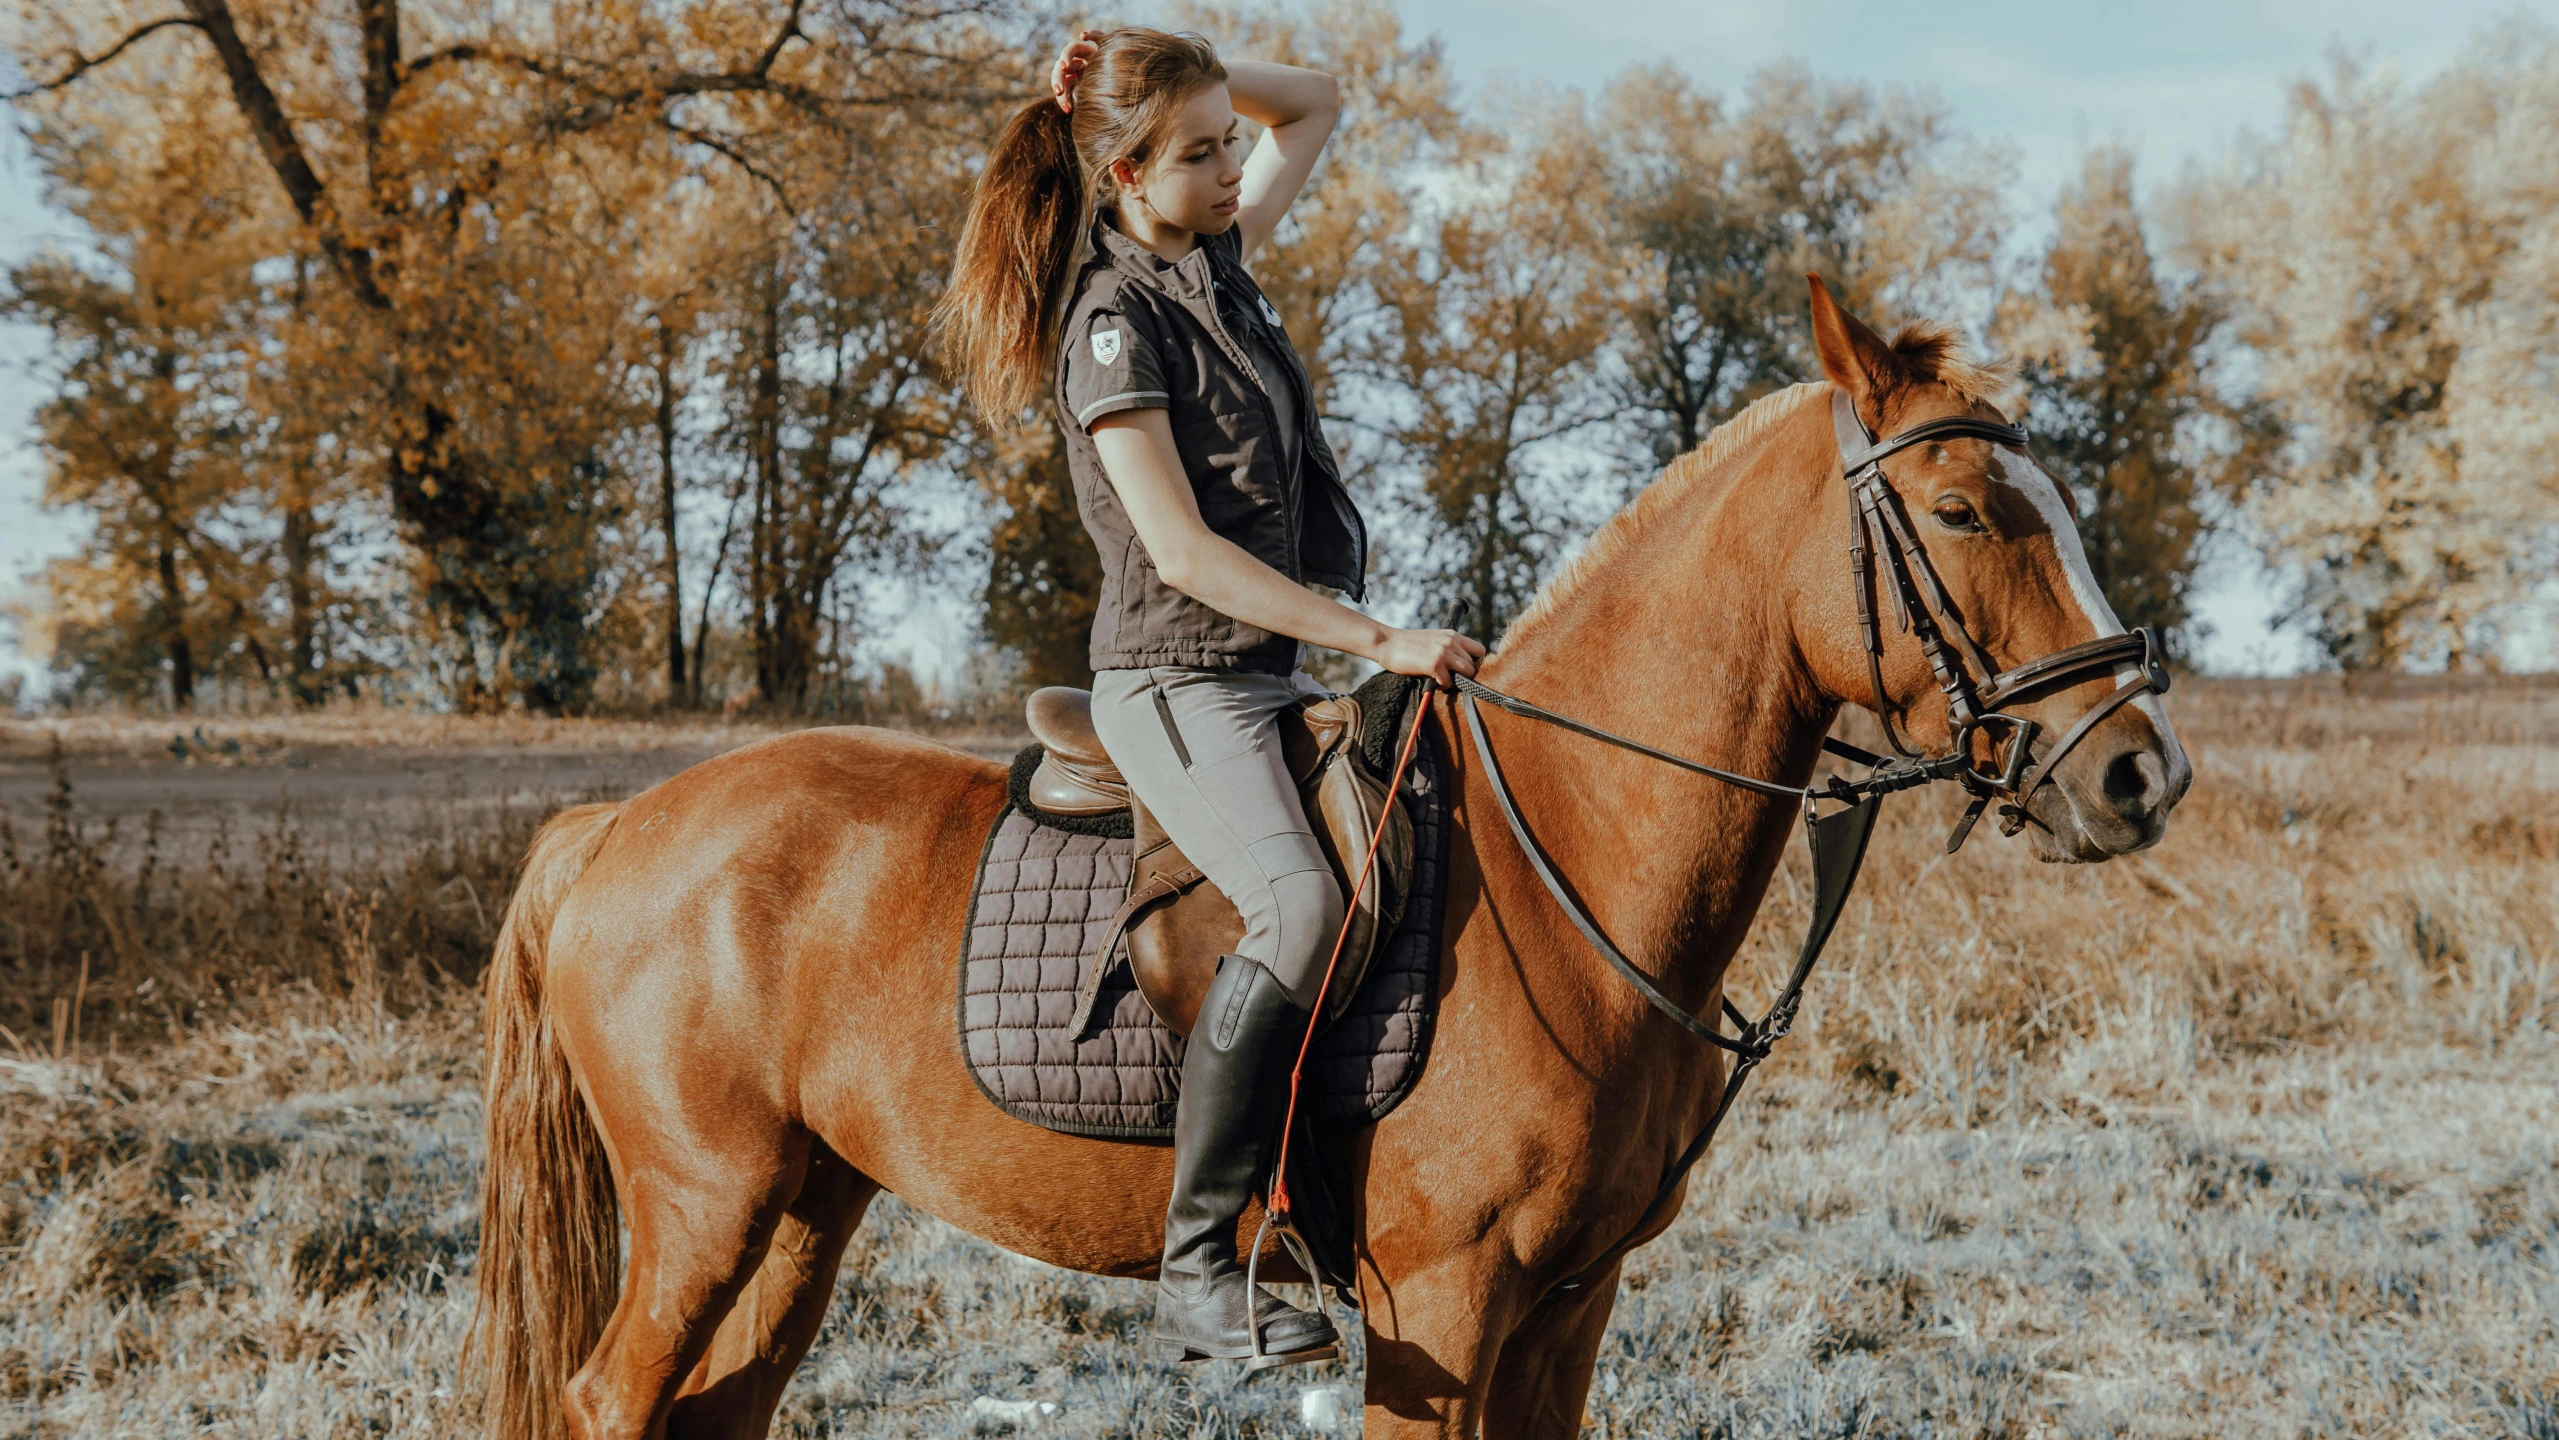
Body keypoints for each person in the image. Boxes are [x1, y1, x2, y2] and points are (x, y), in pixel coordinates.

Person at [933, 26, 1483, 1365]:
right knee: (1297, 903)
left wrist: (1166, 57)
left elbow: (1322, 99)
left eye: (1229, 141)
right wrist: (1380, 636)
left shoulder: (1212, 264)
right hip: (1176, 680)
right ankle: (1199, 1270)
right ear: (1125, 174)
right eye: (1197, 151)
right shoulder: (1113, 328)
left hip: (1266, 678)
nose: (1234, 162)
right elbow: (1184, 556)